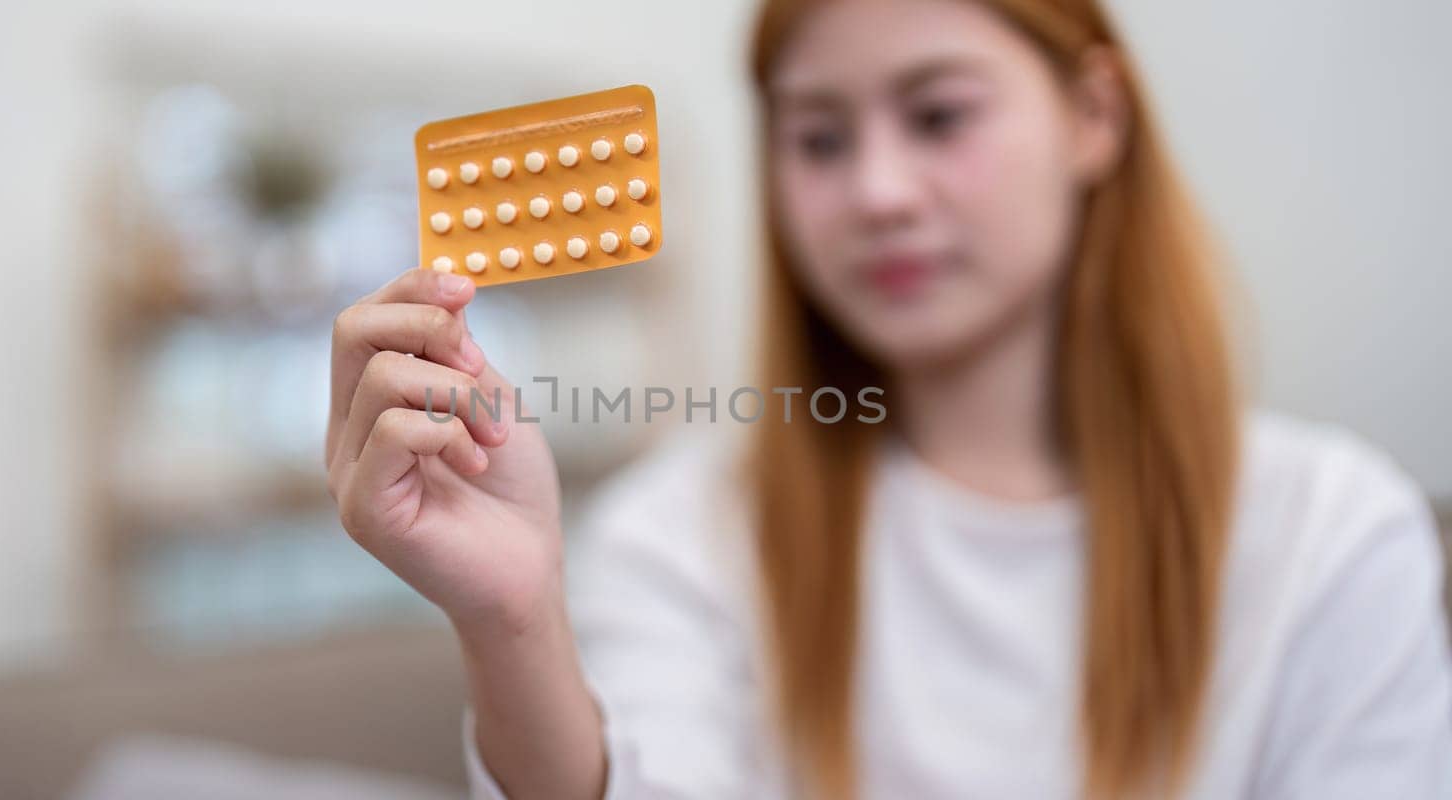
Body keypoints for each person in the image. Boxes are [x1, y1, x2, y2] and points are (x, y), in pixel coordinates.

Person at [324, 0, 1452, 797]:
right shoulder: (681, 540)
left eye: (939, 116)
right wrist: (512, 621)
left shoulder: (1336, 537)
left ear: (1093, 115)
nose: (874, 191)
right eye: (817, 137)